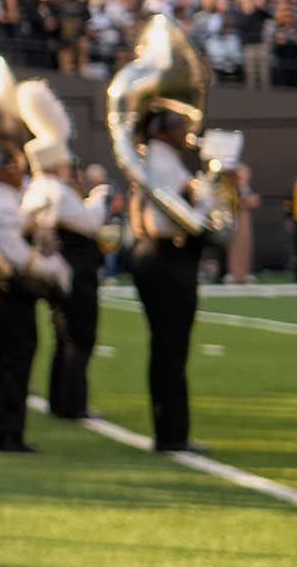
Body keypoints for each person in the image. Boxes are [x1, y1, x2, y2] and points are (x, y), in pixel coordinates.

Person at [126, 104, 209, 454]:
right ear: (163, 129)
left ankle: (172, 430)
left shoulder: (158, 159)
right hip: (166, 257)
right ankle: (172, 434)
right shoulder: (159, 162)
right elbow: (180, 220)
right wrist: (209, 197)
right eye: (179, 125)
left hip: (159, 256)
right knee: (170, 348)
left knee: (168, 348)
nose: (185, 132)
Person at [0, 148, 63, 453]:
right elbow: (12, 251)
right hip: (2, 286)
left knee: (6, 358)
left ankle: (4, 428)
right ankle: (7, 432)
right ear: (1, 171)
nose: (20, 171)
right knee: (14, 357)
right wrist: (51, 268)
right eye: (14, 166)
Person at [24, 137, 107, 420]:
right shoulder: (58, 190)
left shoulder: (33, 189)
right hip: (75, 269)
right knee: (80, 337)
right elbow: (90, 223)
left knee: (63, 336)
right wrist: (99, 199)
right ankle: (72, 404)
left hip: (54, 268)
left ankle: (59, 398)